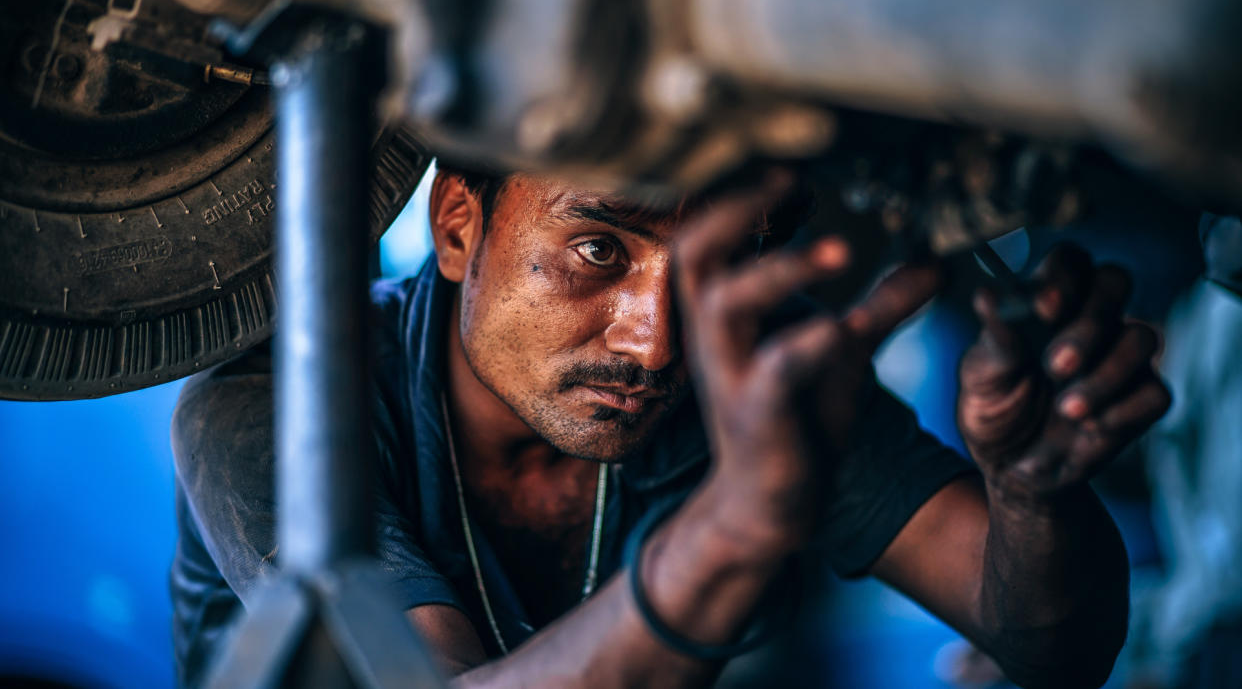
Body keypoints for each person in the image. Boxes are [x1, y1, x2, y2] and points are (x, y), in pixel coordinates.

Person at [170, 167, 1170, 687]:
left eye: (713, 267)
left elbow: (1055, 650)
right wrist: (733, 525)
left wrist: (1031, 491)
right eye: (598, 249)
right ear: (458, 227)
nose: (655, 345)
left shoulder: (743, 380)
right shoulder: (270, 412)